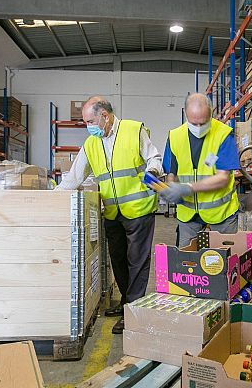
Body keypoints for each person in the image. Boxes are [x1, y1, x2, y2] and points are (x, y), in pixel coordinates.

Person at [56, 96, 162, 334]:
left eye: (90, 121)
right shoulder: (91, 143)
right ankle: (127, 301)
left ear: (104, 115)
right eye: (85, 122)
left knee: (137, 260)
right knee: (118, 260)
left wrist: (153, 172)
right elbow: (74, 178)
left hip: (139, 209)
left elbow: (154, 158)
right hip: (112, 212)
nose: (88, 126)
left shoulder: (134, 130)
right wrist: (52, 197)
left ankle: (133, 311)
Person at [160, 93, 241, 247]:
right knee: (186, 262)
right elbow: (172, 172)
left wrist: (187, 188)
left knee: (226, 261)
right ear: (186, 114)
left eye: (203, 123)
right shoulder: (175, 136)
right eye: (193, 123)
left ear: (211, 114)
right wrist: (171, 188)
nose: (198, 128)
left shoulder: (223, 134)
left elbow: (223, 178)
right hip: (188, 215)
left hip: (221, 213)